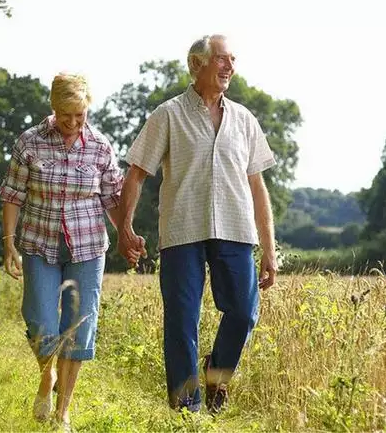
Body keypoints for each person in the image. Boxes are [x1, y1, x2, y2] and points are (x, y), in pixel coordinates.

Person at [118, 34, 278, 414]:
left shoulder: (244, 120)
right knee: (181, 321)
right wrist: (124, 227)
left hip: (236, 230)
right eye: (221, 59)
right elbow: (137, 174)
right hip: (182, 230)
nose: (229, 67)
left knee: (243, 312)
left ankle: (215, 374)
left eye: (232, 60)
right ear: (197, 65)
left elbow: (257, 185)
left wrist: (270, 249)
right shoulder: (168, 115)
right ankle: (186, 412)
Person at [0, 73, 133, 427]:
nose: (72, 123)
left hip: (87, 246)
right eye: (65, 115)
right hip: (39, 242)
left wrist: (127, 235)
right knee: (41, 321)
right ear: (52, 108)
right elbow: (13, 195)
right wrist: (8, 243)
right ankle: (47, 378)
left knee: (78, 326)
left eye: (80, 115)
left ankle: (63, 413)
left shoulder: (100, 147)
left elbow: (112, 200)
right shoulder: (30, 142)